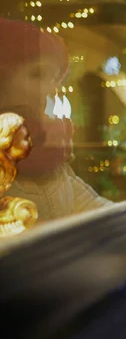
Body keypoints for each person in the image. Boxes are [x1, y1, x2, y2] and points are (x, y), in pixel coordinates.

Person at [0, 17, 112, 222]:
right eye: (38, 74)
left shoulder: (48, 149)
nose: (51, 89)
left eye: (53, 79)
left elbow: (94, 209)